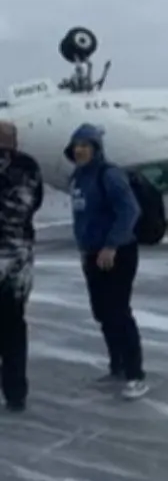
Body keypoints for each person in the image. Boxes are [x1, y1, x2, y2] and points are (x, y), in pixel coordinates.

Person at [65, 124, 149, 399]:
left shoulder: (109, 175)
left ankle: (136, 374)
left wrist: (112, 245)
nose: (80, 150)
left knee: (119, 311)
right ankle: (118, 365)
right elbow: (83, 218)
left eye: (86, 145)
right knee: (102, 312)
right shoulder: (77, 178)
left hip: (117, 253)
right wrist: (84, 250)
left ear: (96, 149)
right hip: (92, 254)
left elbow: (130, 210)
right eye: (77, 145)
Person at [0, 122, 42, 412]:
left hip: (13, 255)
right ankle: (15, 392)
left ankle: (15, 390)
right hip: (19, 255)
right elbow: (34, 203)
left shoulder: (23, 166)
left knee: (12, 326)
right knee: (14, 326)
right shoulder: (29, 165)